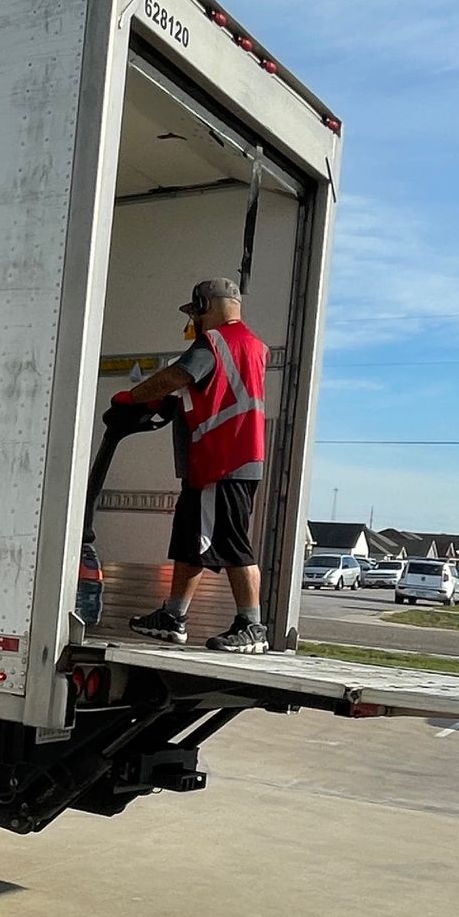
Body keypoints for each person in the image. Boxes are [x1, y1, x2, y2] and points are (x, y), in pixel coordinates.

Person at [119, 277, 270, 654]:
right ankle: (173, 616)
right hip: (224, 458)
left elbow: (176, 376)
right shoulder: (250, 347)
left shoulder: (216, 343)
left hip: (223, 460)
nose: (195, 323)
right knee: (190, 543)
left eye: (196, 314)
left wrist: (133, 398)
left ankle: (252, 626)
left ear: (206, 306)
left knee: (234, 545)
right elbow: (207, 393)